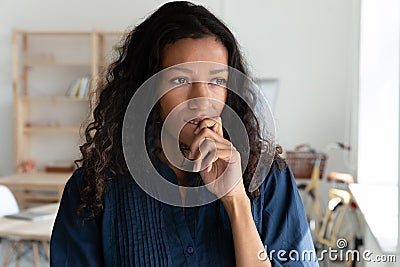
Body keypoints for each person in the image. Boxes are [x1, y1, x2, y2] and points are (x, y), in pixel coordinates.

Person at [50, 1, 317, 266]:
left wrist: (236, 201)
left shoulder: (270, 179)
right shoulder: (94, 187)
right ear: (146, 89)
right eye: (180, 80)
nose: (201, 99)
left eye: (217, 81)